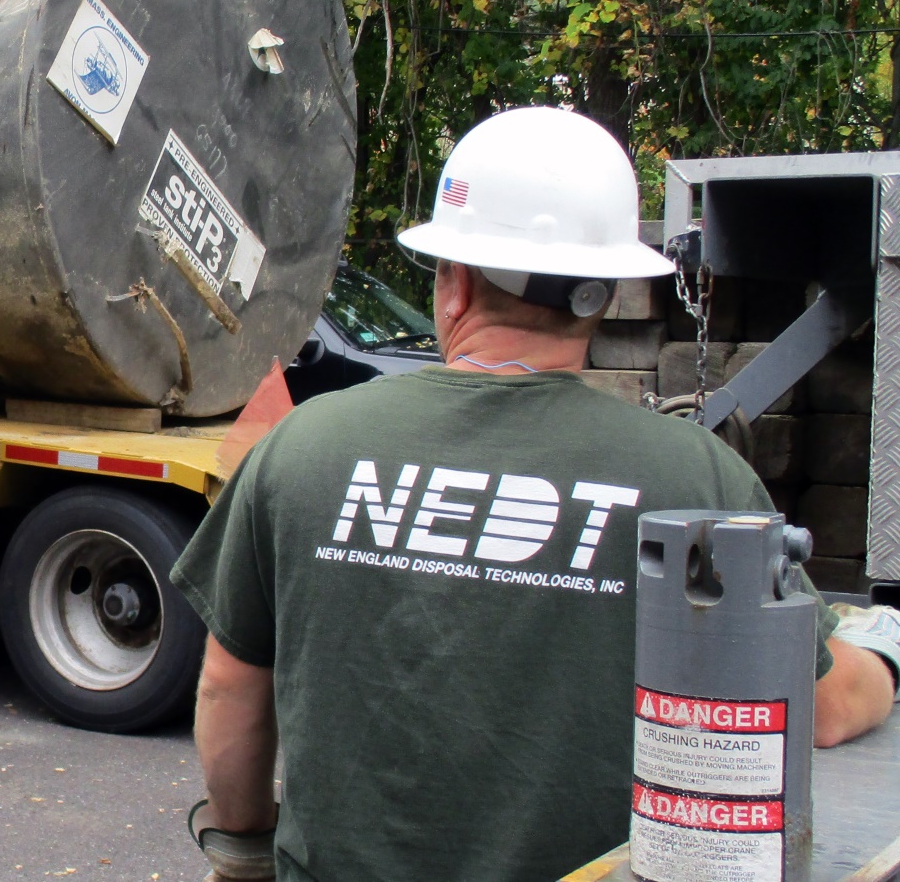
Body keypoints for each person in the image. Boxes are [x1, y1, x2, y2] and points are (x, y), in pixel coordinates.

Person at [169, 107, 900, 881]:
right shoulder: (695, 479)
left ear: (454, 285)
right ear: (602, 293)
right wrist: (881, 649)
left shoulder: (300, 448)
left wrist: (245, 850)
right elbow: (821, 706)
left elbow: (228, 690)